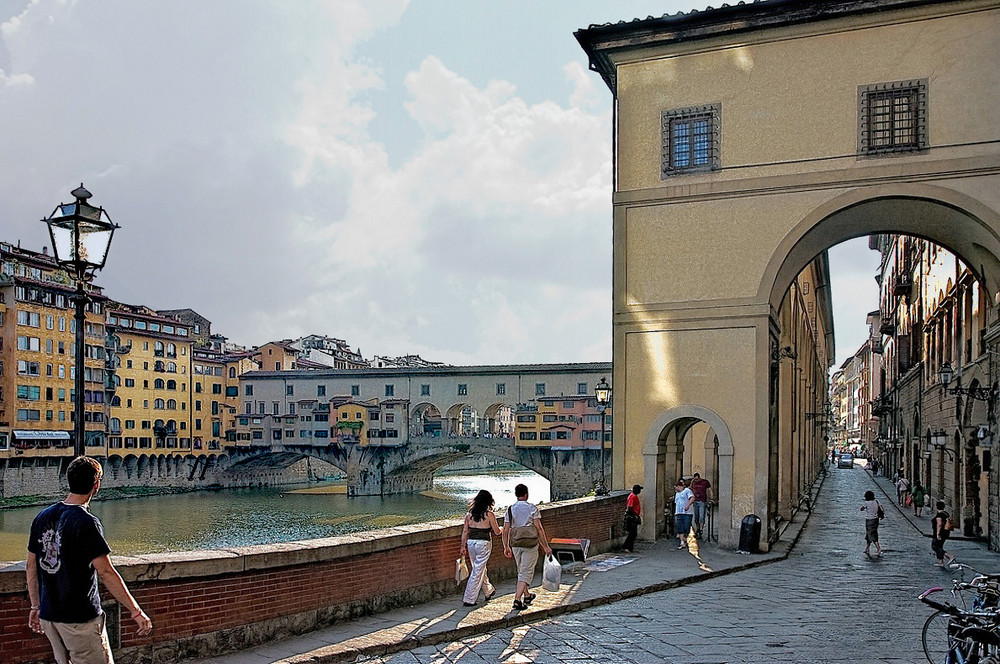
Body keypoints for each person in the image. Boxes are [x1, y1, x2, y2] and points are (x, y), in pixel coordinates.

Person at [26, 456, 152, 664]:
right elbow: (106, 572)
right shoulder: (87, 522)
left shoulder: (42, 516)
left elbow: (32, 567)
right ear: (96, 484)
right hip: (79, 618)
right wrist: (136, 611)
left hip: (49, 616)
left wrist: (35, 606)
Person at [502, 483, 552, 611]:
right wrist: (545, 546)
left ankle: (527, 595)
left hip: (516, 543)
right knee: (526, 571)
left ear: (516, 495)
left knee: (521, 571)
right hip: (530, 544)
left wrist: (506, 546)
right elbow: (539, 529)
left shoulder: (510, 509)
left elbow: (506, 530)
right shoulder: (532, 509)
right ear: (526, 494)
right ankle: (517, 599)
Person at [460, 489, 502, 607]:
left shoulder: (469, 515)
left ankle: (488, 591)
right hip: (483, 544)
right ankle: (469, 599)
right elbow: (497, 532)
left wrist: (462, 546)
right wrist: (503, 529)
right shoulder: (489, 515)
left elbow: (465, 531)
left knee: (478, 568)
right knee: (477, 570)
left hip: (471, 543)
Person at [689, 473, 713, 539]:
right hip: (695, 501)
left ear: (699, 477)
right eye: (695, 479)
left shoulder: (705, 482)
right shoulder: (693, 482)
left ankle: (701, 529)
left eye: (697, 479)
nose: (696, 480)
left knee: (701, 516)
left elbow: (709, 489)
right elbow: (690, 489)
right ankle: (697, 529)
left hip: (702, 501)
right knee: (696, 516)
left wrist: (711, 498)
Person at [931, 501, 955, 567]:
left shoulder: (939, 515)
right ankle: (940, 562)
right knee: (939, 546)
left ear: (937, 507)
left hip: (940, 533)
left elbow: (939, 524)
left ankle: (949, 556)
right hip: (946, 533)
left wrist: (938, 534)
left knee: (934, 546)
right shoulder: (946, 514)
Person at [860, 490, 883, 557]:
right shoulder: (877, 501)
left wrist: (863, 508)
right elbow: (882, 508)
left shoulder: (866, 503)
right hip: (876, 520)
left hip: (869, 520)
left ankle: (879, 548)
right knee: (870, 533)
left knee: (871, 534)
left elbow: (861, 509)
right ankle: (867, 548)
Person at [673, 479, 695, 550]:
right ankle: (682, 542)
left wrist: (688, 505)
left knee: (686, 527)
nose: (675, 489)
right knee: (680, 527)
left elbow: (692, 498)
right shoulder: (677, 494)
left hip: (687, 513)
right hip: (678, 512)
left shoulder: (687, 491)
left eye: (676, 487)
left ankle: (685, 539)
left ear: (679, 486)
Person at [622, 484, 642, 553]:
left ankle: (630, 548)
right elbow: (630, 507)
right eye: (639, 489)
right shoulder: (632, 496)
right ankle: (626, 547)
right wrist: (634, 515)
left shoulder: (633, 496)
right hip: (632, 517)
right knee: (632, 533)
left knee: (633, 533)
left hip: (633, 516)